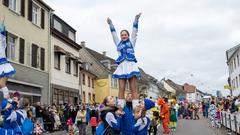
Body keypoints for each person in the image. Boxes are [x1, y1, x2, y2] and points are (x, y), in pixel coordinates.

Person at [107, 13, 142, 110]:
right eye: (122, 35)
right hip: (122, 66)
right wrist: (111, 25)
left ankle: (136, 109)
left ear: (128, 35)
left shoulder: (132, 41)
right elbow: (113, 34)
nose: (123, 36)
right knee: (121, 88)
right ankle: (120, 109)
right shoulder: (118, 43)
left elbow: (135, 31)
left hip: (131, 66)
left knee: (133, 89)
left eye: (125, 34)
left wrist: (136, 20)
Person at [0, 15, 16, 100]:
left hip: (4, 66)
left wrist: (2, 21)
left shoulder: (1, 41)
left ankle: (8, 99)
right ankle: (7, 100)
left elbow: (2, 31)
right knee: (1, 85)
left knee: (2, 83)